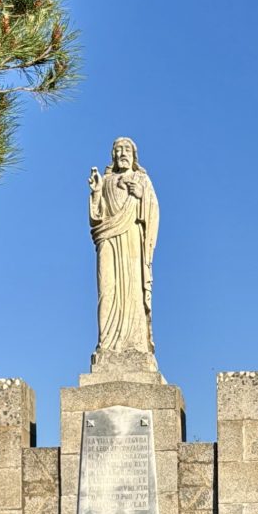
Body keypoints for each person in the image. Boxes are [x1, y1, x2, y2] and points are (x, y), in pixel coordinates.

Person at [88, 137, 159, 360]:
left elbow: (154, 212)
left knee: (132, 289)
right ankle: (106, 344)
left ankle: (135, 344)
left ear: (134, 155)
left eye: (126, 149)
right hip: (108, 238)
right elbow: (96, 217)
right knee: (107, 288)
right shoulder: (106, 180)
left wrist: (141, 196)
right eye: (118, 150)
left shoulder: (142, 179)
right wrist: (96, 191)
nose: (122, 154)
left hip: (132, 238)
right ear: (113, 155)